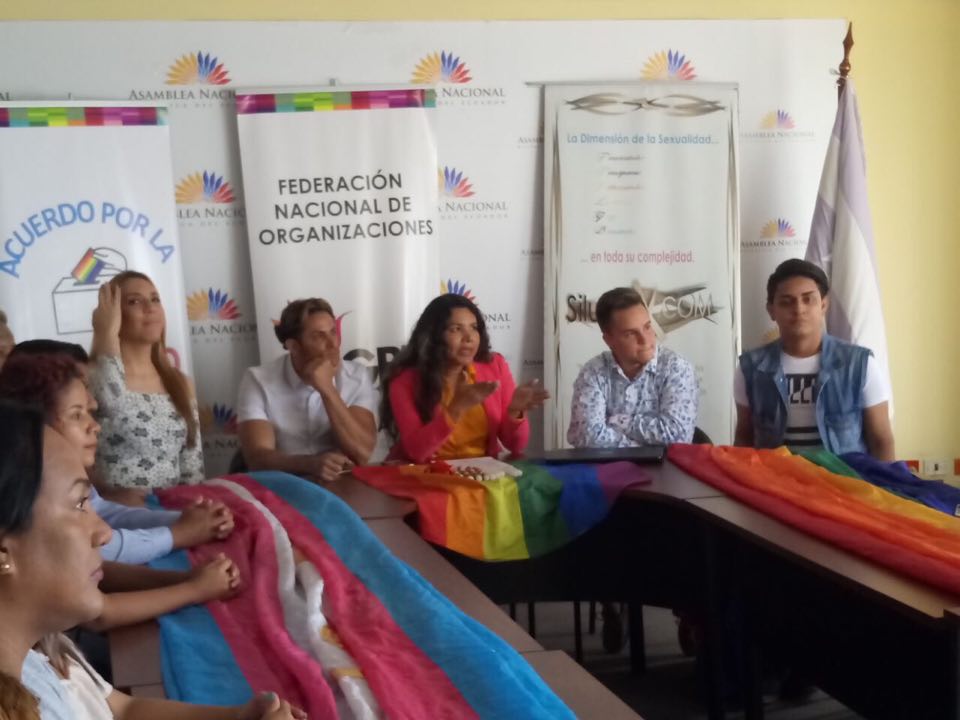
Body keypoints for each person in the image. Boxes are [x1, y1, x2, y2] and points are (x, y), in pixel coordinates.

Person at [0, 402, 301, 719]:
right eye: (78, 504)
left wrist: (236, 718)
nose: (104, 533)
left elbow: (124, 709)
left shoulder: (40, 652)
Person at [0, 350, 232, 565]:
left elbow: (104, 511)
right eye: (77, 415)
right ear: (35, 426)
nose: (95, 426)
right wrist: (179, 534)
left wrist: (183, 520)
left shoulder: (68, 477)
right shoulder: (34, 489)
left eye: (89, 413)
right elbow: (94, 549)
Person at [734, 259, 895, 460]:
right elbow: (744, 438)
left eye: (808, 299)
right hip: (774, 478)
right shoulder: (750, 369)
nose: (798, 309)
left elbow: (881, 440)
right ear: (771, 310)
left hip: (843, 479)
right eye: (786, 301)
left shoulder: (860, 365)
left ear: (823, 305)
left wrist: (883, 480)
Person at [382, 293, 548, 463]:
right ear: (434, 336)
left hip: (482, 472)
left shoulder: (494, 366)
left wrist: (515, 411)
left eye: (474, 328)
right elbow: (416, 452)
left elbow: (516, 445)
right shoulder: (404, 381)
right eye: (456, 329)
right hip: (427, 474)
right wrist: (457, 408)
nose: (469, 338)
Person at [237, 298, 377, 482]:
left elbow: (362, 453)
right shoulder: (258, 380)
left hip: (344, 484)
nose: (333, 344)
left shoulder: (356, 376)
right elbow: (257, 458)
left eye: (333, 332)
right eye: (319, 336)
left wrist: (327, 388)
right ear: (294, 346)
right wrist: (310, 464)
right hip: (283, 483)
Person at [89, 272, 204, 492]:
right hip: (114, 509)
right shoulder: (91, 377)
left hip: (172, 509)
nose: (150, 308)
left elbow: (192, 463)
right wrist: (106, 334)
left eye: (155, 299)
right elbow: (111, 400)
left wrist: (194, 505)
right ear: (113, 314)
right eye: (134, 301)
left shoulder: (179, 382)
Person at [567, 287, 698, 448]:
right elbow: (586, 436)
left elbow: (677, 436)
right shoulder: (593, 372)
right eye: (630, 333)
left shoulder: (676, 368)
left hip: (664, 464)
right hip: (609, 464)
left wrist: (620, 422)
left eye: (647, 327)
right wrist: (642, 448)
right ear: (609, 340)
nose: (645, 339)